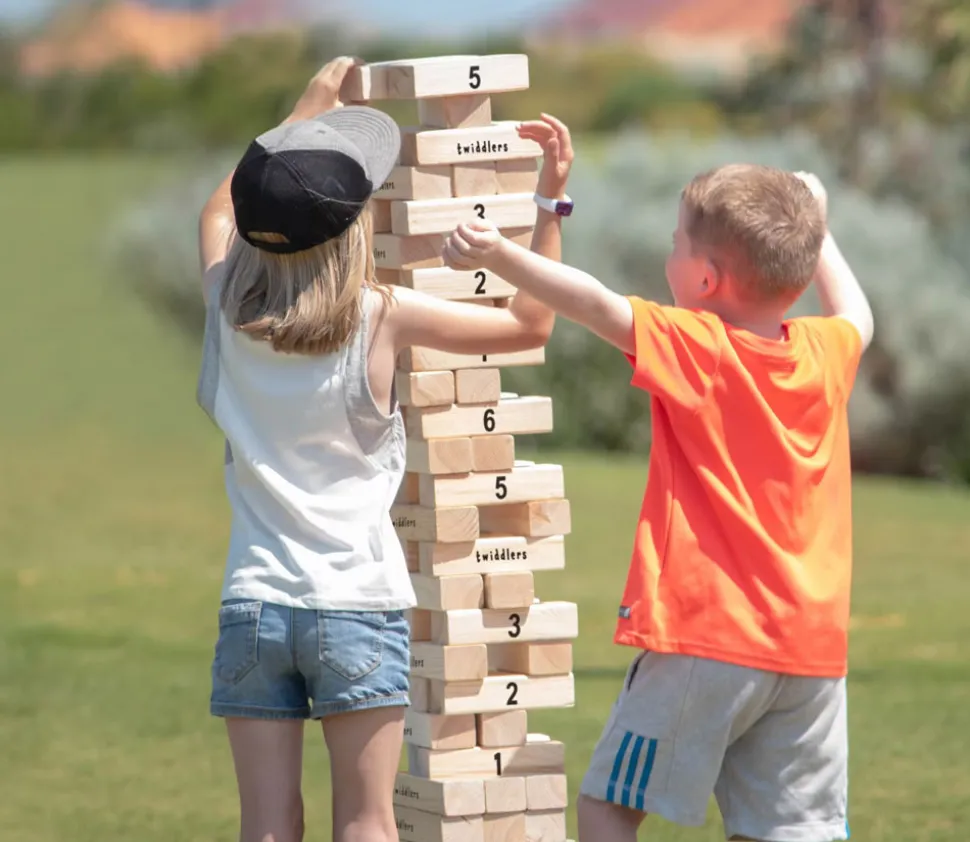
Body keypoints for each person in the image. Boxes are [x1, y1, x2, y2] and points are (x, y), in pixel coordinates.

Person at [195, 56, 574, 842]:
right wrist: (548, 202)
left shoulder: (226, 305)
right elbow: (530, 326)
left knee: (265, 825)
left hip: (254, 605)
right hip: (357, 605)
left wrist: (305, 110)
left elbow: (218, 210)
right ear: (352, 228)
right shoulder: (382, 315)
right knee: (368, 823)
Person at [443, 164, 872, 842]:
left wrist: (500, 255)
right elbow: (858, 314)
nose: (667, 252)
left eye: (677, 243)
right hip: (813, 651)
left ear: (706, 281)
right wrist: (819, 226)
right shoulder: (824, 351)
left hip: (709, 638)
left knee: (608, 807)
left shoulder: (698, 345)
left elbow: (592, 303)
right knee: (790, 831)